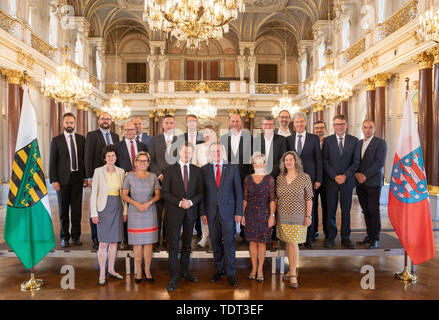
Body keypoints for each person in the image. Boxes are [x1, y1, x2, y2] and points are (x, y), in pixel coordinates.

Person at [161, 142, 204, 292]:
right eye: (184, 152)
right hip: (174, 212)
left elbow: (201, 192)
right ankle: (173, 277)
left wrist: (190, 202)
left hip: (191, 213)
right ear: (179, 152)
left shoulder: (197, 171)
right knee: (173, 246)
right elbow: (164, 193)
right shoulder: (169, 170)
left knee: (187, 245)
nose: (186, 155)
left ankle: (184, 273)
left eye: (189, 152)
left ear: (192, 154)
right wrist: (180, 203)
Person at [201, 142, 243, 287]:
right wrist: (203, 212)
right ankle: (219, 271)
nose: (216, 154)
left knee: (229, 244)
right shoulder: (204, 169)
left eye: (218, 151)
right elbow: (202, 194)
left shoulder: (232, 167)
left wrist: (238, 212)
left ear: (223, 152)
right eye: (213, 151)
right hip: (211, 213)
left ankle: (231, 273)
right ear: (209, 153)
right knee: (216, 244)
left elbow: (238, 192)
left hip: (228, 213)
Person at [122, 152, 161, 283]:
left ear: (149, 163)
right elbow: (124, 195)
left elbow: (157, 195)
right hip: (135, 211)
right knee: (137, 243)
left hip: (149, 211)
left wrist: (148, 203)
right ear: (135, 162)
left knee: (148, 243)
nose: (143, 163)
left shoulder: (153, 176)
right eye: (140, 160)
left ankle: (148, 270)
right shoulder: (129, 177)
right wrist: (136, 204)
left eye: (146, 161)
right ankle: (138, 271)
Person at [90, 145, 126, 285]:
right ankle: (102, 272)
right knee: (104, 242)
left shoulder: (121, 171)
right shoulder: (98, 171)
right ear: (104, 158)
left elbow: (124, 194)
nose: (111, 158)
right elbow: (94, 194)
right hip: (103, 209)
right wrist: (94, 213)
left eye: (113, 155)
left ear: (116, 157)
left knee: (114, 242)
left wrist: (125, 211)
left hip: (117, 206)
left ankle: (111, 269)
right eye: (108, 156)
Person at [49, 112, 86, 248]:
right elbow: (52, 162)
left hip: (77, 179)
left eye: (71, 122)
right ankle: (64, 237)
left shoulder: (81, 139)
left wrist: (86, 177)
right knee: (63, 211)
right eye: (67, 122)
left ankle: (76, 236)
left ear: (75, 124)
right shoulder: (56, 140)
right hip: (62, 181)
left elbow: (84, 160)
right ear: (63, 124)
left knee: (77, 211)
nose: (69, 125)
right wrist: (54, 180)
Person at [276, 151, 313, 288]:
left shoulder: (304, 177)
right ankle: (292, 269)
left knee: (293, 243)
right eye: (286, 160)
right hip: (282, 216)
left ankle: (292, 274)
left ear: (296, 161)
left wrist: (308, 216)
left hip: (298, 216)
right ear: (283, 163)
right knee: (288, 243)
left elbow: (309, 198)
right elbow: (276, 197)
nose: (289, 162)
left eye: (291, 159)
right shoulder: (280, 178)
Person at [322, 114, 360, 249]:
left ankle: (346, 237)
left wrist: (345, 176)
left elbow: (356, 162)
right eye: (337, 124)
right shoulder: (327, 141)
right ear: (333, 126)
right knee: (330, 210)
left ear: (346, 125)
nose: (340, 126)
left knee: (346, 210)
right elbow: (325, 161)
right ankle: (330, 237)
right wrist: (335, 176)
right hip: (331, 181)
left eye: (342, 124)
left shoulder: (354, 141)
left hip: (347, 181)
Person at [286, 112, 322, 248]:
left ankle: (309, 236)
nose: (299, 124)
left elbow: (318, 159)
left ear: (306, 123)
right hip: (294, 178)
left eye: (301, 121)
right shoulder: (289, 139)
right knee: (297, 207)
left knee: (309, 207)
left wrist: (318, 179)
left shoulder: (313, 138)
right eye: (297, 122)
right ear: (294, 124)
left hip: (310, 178)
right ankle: (298, 236)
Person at [85, 112, 120, 249]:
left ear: (111, 121)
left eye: (108, 119)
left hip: (113, 175)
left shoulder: (116, 136)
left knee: (112, 207)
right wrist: (89, 177)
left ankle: (112, 235)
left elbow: (118, 156)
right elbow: (87, 156)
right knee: (96, 206)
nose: (105, 121)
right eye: (103, 119)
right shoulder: (92, 135)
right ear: (99, 120)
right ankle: (95, 237)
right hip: (97, 176)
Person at [252, 116, 286, 250]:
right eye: (265, 124)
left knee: (275, 206)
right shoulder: (256, 140)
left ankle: (275, 238)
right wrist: (260, 172)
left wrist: (269, 171)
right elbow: (254, 158)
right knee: (261, 206)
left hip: (275, 177)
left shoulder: (281, 140)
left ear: (274, 126)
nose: (268, 127)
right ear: (262, 126)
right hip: (259, 178)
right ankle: (262, 235)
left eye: (270, 124)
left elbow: (283, 159)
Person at [241, 152, 276, 283]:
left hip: (264, 214)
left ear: (264, 164)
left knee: (262, 243)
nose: (257, 164)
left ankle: (260, 269)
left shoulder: (270, 179)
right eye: (255, 162)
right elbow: (245, 198)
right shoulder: (247, 179)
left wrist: (272, 216)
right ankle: (254, 268)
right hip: (250, 213)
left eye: (260, 162)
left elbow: (273, 199)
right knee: (252, 242)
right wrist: (243, 214)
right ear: (253, 164)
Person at [148, 114, 181, 249]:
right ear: (162, 124)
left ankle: (168, 239)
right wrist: (159, 174)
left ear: (174, 125)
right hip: (158, 180)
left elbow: (181, 159)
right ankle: (155, 238)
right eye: (166, 123)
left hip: (174, 182)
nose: (169, 125)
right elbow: (151, 160)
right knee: (156, 210)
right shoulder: (155, 140)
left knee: (170, 212)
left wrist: (173, 176)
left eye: (171, 123)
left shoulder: (179, 140)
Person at [355, 120, 387, 249]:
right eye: (365, 127)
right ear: (362, 129)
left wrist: (365, 175)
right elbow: (355, 161)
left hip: (373, 182)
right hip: (359, 182)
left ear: (374, 129)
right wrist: (357, 174)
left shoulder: (380, 143)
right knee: (365, 210)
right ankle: (369, 235)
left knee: (373, 210)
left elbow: (379, 163)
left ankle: (375, 238)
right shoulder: (358, 143)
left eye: (370, 127)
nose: (367, 130)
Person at [115, 122, 148, 249]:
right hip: (125, 182)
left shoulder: (142, 145)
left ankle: (140, 237)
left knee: (139, 210)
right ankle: (125, 239)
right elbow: (116, 164)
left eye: (132, 130)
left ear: (136, 131)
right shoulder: (117, 146)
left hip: (141, 182)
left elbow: (146, 162)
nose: (129, 132)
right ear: (123, 131)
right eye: (127, 130)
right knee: (125, 211)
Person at [220, 113, 252, 241]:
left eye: (237, 121)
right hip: (228, 175)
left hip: (244, 174)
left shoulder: (248, 137)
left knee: (245, 201)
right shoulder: (223, 138)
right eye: (232, 121)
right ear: (229, 122)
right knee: (229, 202)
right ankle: (230, 232)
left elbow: (251, 157)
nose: (235, 123)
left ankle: (245, 233)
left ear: (241, 122)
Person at [193, 125, 217, 248]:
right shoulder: (198, 147)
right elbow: (195, 163)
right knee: (204, 208)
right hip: (202, 177)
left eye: (210, 131)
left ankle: (215, 235)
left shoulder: (218, 147)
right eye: (205, 132)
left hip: (215, 179)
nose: (207, 134)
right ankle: (205, 235)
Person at [181, 114, 204, 238]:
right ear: (186, 123)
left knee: (198, 200)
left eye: (194, 121)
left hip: (199, 172)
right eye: (189, 121)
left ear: (197, 123)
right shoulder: (180, 138)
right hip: (184, 172)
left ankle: (200, 231)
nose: (191, 123)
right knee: (186, 198)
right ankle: (186, 231)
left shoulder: (203, 137)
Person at [313, 120, 328, 240]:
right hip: (314, 180)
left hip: (328, 180)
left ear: (325, 129)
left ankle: (328, 232)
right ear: (313, 130)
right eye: (317, 128)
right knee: (313, 207)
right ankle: (314, 230)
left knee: (327, 207)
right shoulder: (311, 142)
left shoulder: (329, 142)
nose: (319, 130)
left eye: (321, 128)